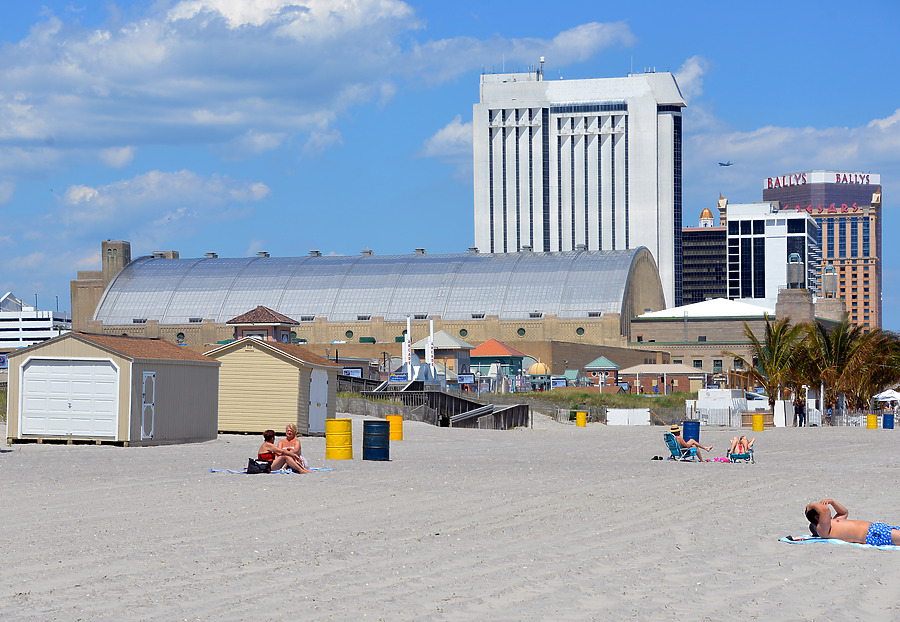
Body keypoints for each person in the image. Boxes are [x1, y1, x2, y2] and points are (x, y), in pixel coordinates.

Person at [805, 499, 900, 546]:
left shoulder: (834, 521)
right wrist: (811, 505)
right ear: (817, 517)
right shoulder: (823, 530)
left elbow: (844, 512)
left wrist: (833, 502)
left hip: (878, 528)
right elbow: (825, 510)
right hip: (873, 535)